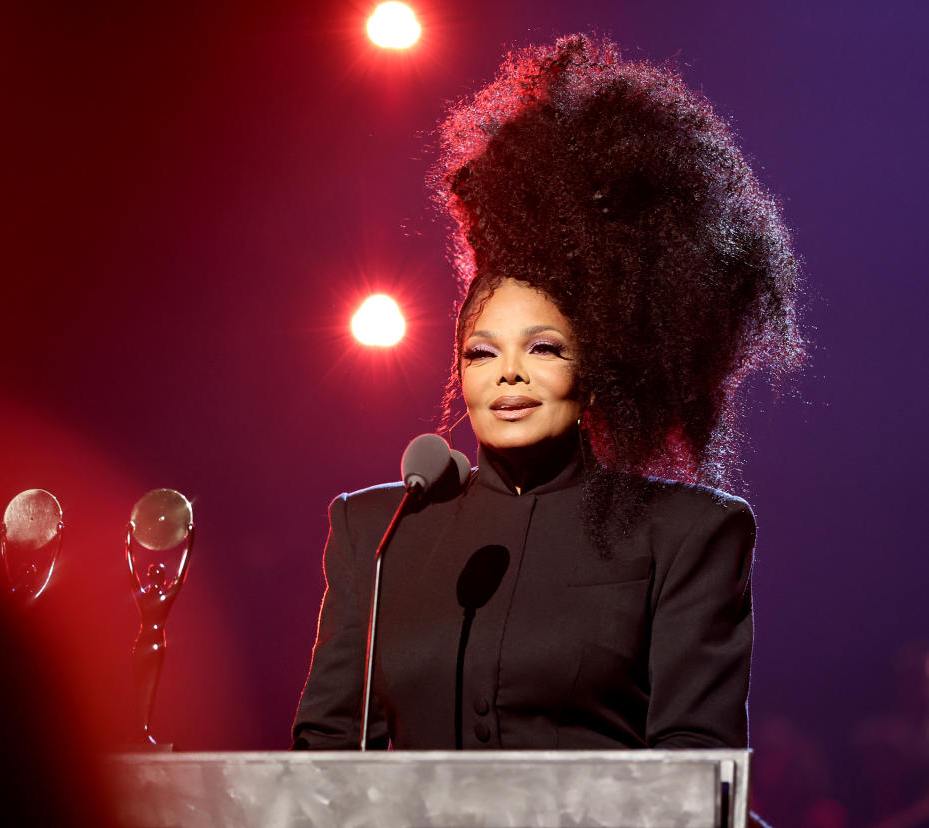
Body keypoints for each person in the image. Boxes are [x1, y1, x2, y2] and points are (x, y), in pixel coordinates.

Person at [292, 34, 804, 751]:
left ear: (596, 368)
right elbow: (320, 759)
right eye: (481, 352)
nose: (508, 373)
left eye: (543, 348)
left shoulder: (685, 536)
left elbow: (695, 772)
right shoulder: (377, 535)